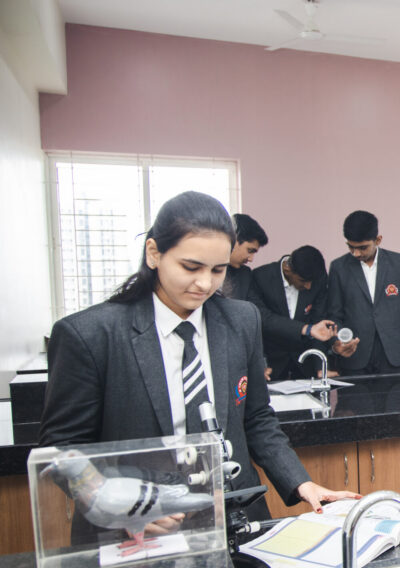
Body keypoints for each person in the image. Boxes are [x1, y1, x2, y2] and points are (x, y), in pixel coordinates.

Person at [39, 191, 356, 543]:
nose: (205, 283)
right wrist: (114, 502)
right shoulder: (90, 335)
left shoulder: (241, 320)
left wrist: (301, 482)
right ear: (154, 253)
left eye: (218, 270)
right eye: (191, 267)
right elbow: (63, 447)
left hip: (231, 519)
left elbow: (256, 418)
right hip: (136, 532)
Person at [327, 210, 400, 374]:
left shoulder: (397, 263)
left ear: (378, 240)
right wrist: (337, 342)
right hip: (354, 357)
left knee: (397, 399)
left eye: (362, 248)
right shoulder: (338, 267)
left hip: (392, 356)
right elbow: (334, 314)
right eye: (351, 247)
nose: (356, 253)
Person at [248, 245, 336, 381]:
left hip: (306, 366)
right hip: (271, 365)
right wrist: (306, 329)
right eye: (303, 281)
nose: (308, 287)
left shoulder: (318, 279)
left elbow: (319, 322)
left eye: (311, 282)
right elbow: (263, 319)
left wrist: (320, 367)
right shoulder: (261, 276)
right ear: (287, 269)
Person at [223, 213, 268, 300]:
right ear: (234, 240)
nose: (251, 259)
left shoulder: (244, 275)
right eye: (250, 251)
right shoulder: (204, 268)